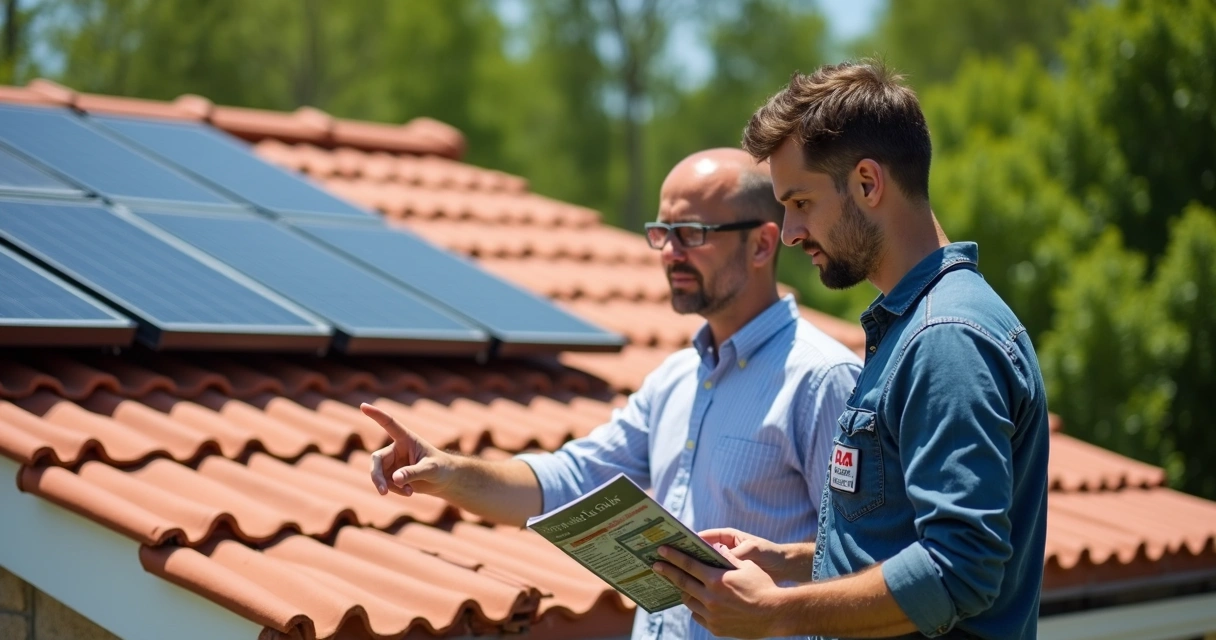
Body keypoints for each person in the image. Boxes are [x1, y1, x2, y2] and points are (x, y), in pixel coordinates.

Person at [363, 147, 863, 640]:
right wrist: (447, 471)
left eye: (691, 233)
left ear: (761, 245)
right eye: (662, 234)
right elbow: (570, 480)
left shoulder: (822, 380)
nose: (671, 253)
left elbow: (863, 563)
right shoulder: (675, 378)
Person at [652, 62, 1051, 640]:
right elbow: (901, 538)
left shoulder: (946, 338)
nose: (788, 232)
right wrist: (791, 562)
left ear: (868, 183)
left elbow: (958, 569)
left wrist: (777, 610)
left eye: (800, 202)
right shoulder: (915, 325)